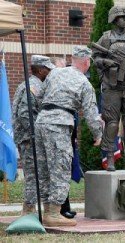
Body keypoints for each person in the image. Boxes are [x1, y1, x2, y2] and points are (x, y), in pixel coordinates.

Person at [35, 46, 103, 227]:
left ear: (73, 59)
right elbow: (91, 113)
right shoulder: (84, 83)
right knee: (60, 167)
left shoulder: (55, 74)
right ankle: (54, 213)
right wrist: (98, 135)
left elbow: (40, 97)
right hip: (59, 124)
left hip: (41, 122)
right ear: (87, 62)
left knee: (44, 168)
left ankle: (46, 211)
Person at [92, 6, 125, 171]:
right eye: (123, 17)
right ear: (114, 19)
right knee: (112, 123)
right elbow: (95, 58)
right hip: (112, 87)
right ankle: (110, 159)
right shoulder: (106, 38)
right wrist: (105, 62)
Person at [12, 55, 55, 216]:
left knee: (38, 174)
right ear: (39, 70)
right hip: (30, 139)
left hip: (30, 138)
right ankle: (28, 212)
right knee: (33, 175)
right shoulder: (33, 87)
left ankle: (33, 209)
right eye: (47, 69)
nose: (49, 72)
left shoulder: (33, 85)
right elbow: (25, 114)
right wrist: (37, 134)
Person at [49, 57, 77, 219]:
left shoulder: (65, 87)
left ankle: (64, 207)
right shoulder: (47, 88)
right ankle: (55, 209)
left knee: (64, 171)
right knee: (56, 171)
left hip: (67, 134)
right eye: (60, 70)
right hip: (52, 134)